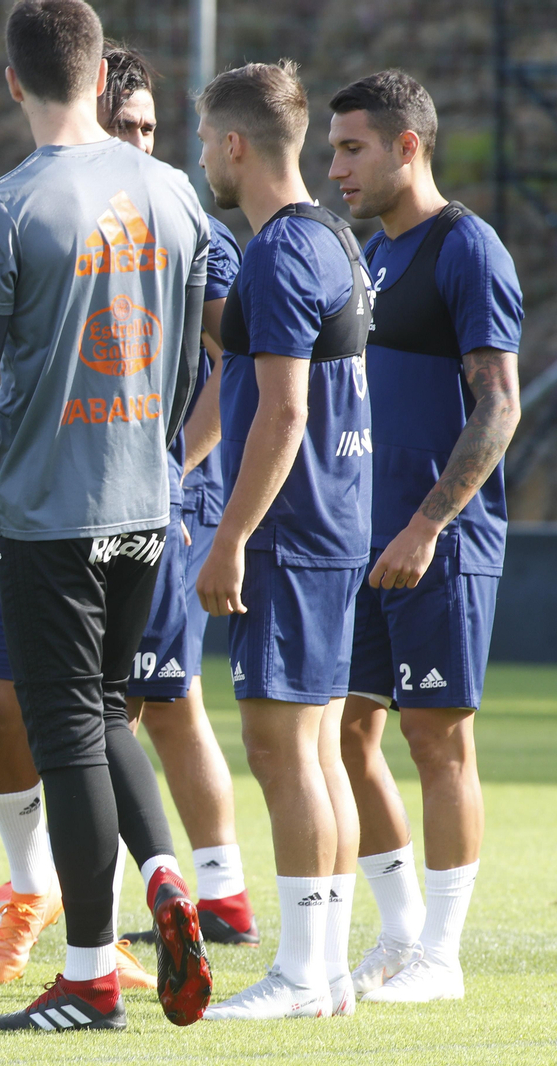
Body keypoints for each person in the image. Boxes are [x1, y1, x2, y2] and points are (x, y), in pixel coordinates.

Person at [0, 42, 256, 997]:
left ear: (13, 80)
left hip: (50, 509)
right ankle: (167, 877)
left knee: (70, 733)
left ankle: (89, 976)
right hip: (146, 506)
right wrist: (162, 449)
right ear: (93, 77)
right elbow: (213, 354)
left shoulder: (7, 203)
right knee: (114, 708)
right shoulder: (177, 197)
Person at [327, 70, 522, 1003]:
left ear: (410, 146)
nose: (336, 169)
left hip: (437, 542)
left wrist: (427, 524)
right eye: (332, 150)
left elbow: (500, 405)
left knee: (438, 742)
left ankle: (442, 956)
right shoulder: (373, 255)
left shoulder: (466, 248)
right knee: (346, 735)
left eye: (353, 148)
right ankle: (401, 935)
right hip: (361, 542)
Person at [192, 60, 370, 1021]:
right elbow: (252, 395)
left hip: (291, 535)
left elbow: (285, 414)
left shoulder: (275, 252)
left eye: (205, 145)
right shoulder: (333, 237)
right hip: (332, 526)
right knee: (319, 752)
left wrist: (229, 540)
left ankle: (302, 973)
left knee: (283, 750)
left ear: (233, 145)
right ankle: (327, 969)